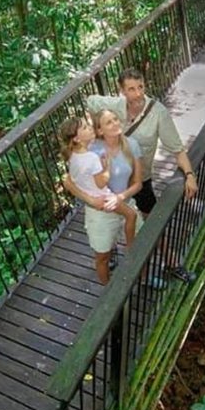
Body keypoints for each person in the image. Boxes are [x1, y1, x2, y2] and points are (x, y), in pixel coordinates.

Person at [86, 67, 198, 212]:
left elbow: (177, 150)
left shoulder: (159, 113)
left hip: (140, 178)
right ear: (122, 90)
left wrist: (189, 175)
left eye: (141, 87)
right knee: (116, 215)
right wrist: (97, 135)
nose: (138, 93)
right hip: (113, 175)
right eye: (131, 89)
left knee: (149, 212)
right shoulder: (115, 105)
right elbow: (91, 101)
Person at [62, 109, 144, 284]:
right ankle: (109, 294)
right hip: (100, 208)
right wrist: (91, 199)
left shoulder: (131, 145)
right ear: (100, 131)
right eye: (109, 122)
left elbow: (138, 183)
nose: (115, 123)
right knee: (102, 256)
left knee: (140, 239)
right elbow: (68, 181)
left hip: (122, 200)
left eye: (116, 119)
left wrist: (120, 197)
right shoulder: (90, 150)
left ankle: (141, 275)